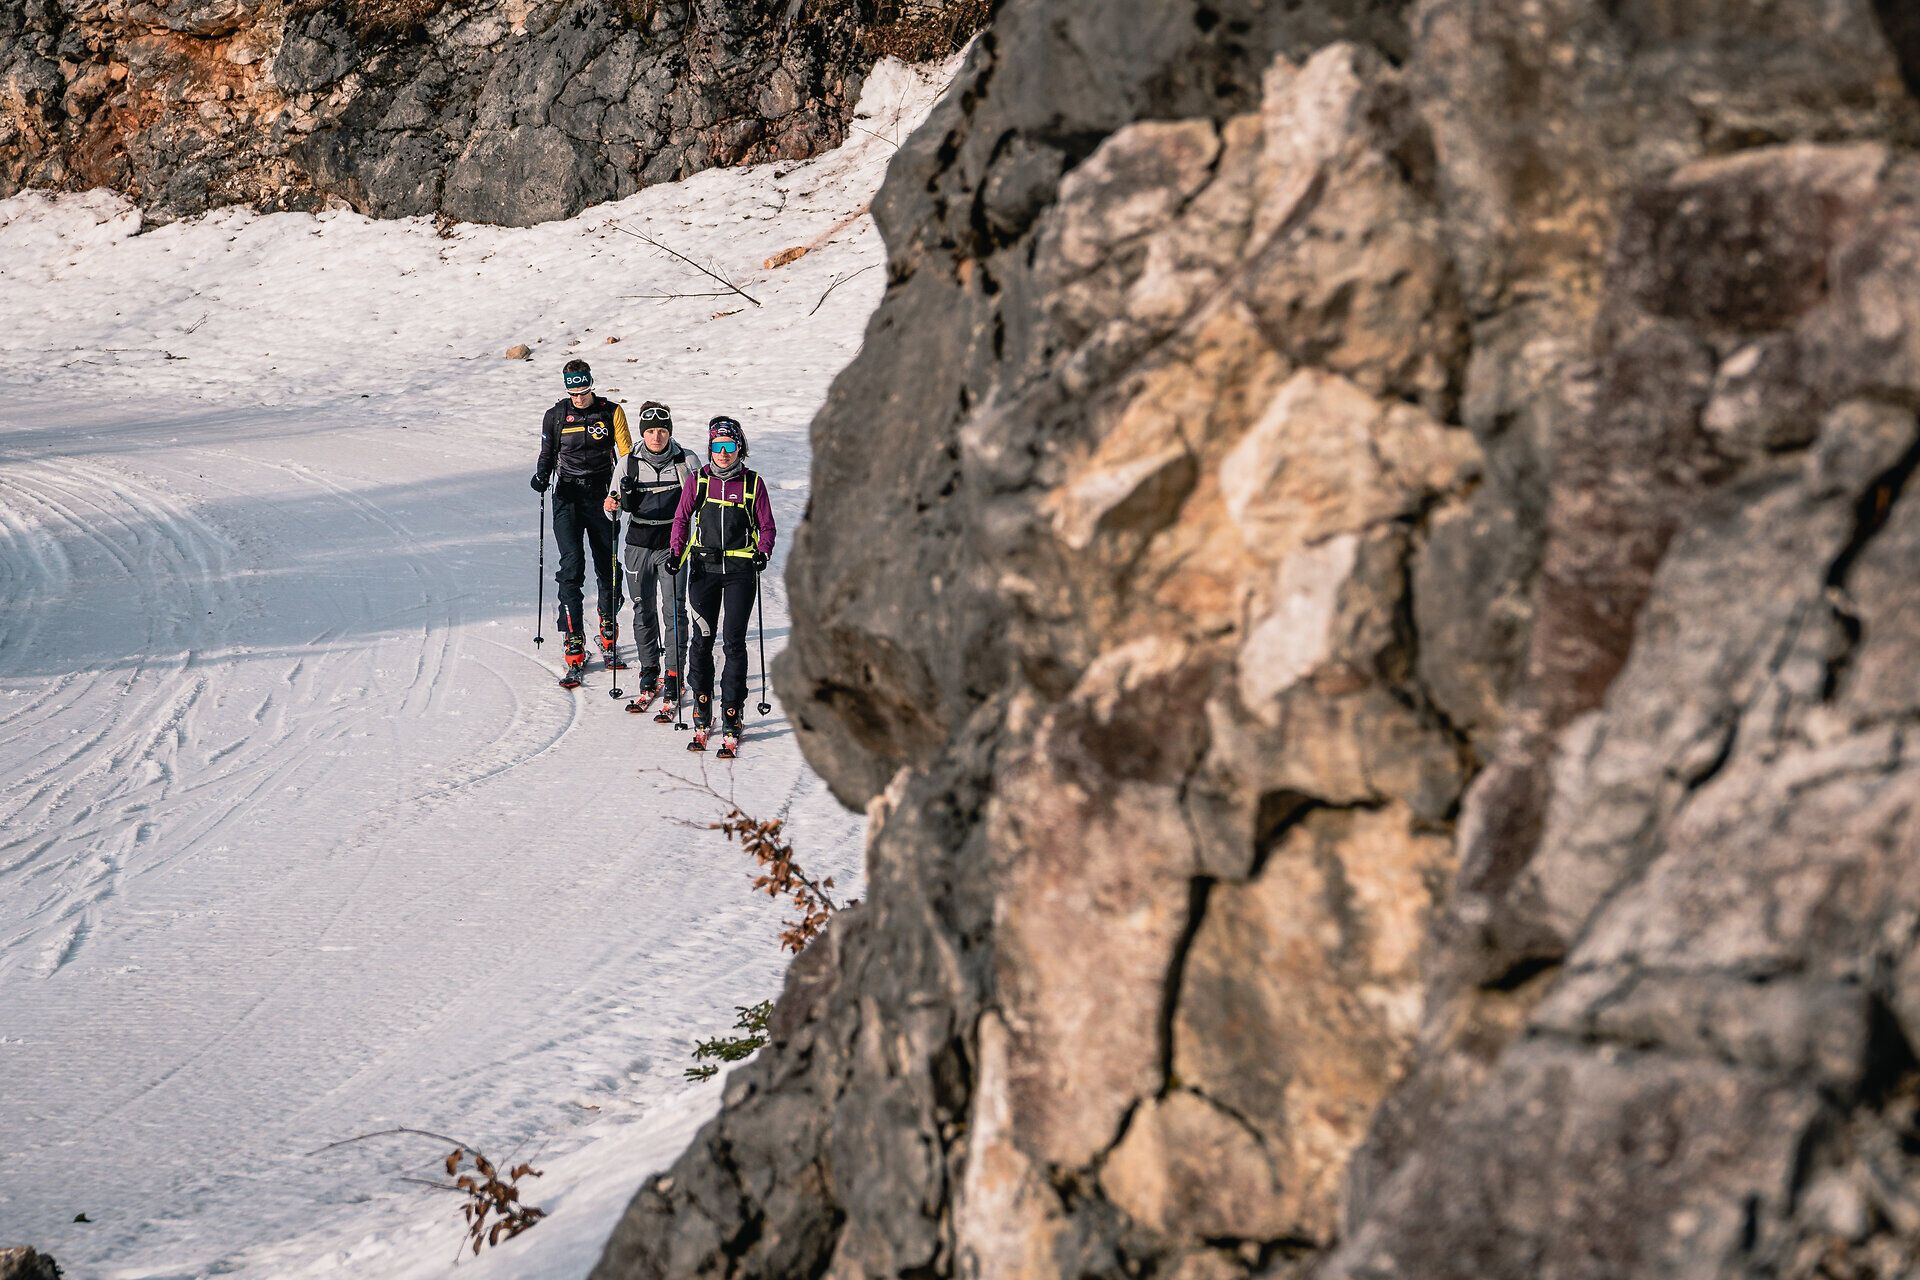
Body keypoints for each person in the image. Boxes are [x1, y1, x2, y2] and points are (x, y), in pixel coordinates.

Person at [669, 415, 775, 754]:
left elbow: (767, 527)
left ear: (739, 448)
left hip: (740, 572)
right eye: (717, 447)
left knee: (733, 643)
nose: (723, 453)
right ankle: (702, 711)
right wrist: (675, 553)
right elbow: (682, 518)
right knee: (701, 641)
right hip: (704, 570)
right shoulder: (698, 481)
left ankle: (732, 714)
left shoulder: (752, 483)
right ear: (710, 449)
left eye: (729, 447)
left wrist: (763, 552)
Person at [531, 359, 631, 670]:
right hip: (567, 497)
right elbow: (548, 453)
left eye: (583, 392)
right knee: (571, 563)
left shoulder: (611, 411)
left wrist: (625, 486)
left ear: (591, 385)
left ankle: (607, 622)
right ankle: (573, 635)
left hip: (602, 495)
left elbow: (626, 454)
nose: (578, 398)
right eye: (573, 393)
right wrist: (541, 475)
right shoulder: (556, 415)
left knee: (607, 563)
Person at [604, 401, 695, 714]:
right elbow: (611, 503)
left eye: (662, 430)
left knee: (673, 609)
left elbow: (702, 500)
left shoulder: (686, 460)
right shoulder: (628, 463)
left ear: (670, 431)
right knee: (642, 609)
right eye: (651, 431)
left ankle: (673, 675)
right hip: (638, 544)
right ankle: (648, 673)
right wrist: (612, 505)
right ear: (643, 433)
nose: (657, 437)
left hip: (673, 543)